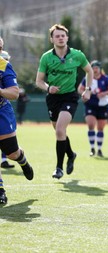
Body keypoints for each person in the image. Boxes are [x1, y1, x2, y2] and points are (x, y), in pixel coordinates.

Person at [35, 24, 93, 179]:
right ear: (52, 39)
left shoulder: (77, 55)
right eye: (57, 36)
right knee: (59, 131)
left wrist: (88, 89)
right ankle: (71, 154)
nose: (60, 38)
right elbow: (39, 81)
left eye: (63, 35)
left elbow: (89, 71)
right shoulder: (46, 57)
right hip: (53, 98)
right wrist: (48, 88)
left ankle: (58, 168)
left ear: (67, 38)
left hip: (70, 97)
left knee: (60, 130)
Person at [0, 36, 34, 204]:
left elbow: (14, 93)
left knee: (11, 153)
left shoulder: (4, 65)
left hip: (1, 112)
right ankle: (0, 189)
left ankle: (22, 160)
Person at [78, 60, 108, 157]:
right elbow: (80, 89)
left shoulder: (106, 79)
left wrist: (104, 93)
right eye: (93, 68)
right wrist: (86, 93)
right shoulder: (88, 78)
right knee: (91, 125)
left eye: (97, 68)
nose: (95, 70)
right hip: (90, 104)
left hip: (103, 105)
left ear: (100, 69)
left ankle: (99, 149)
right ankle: (92, 148)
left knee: (100, 128)